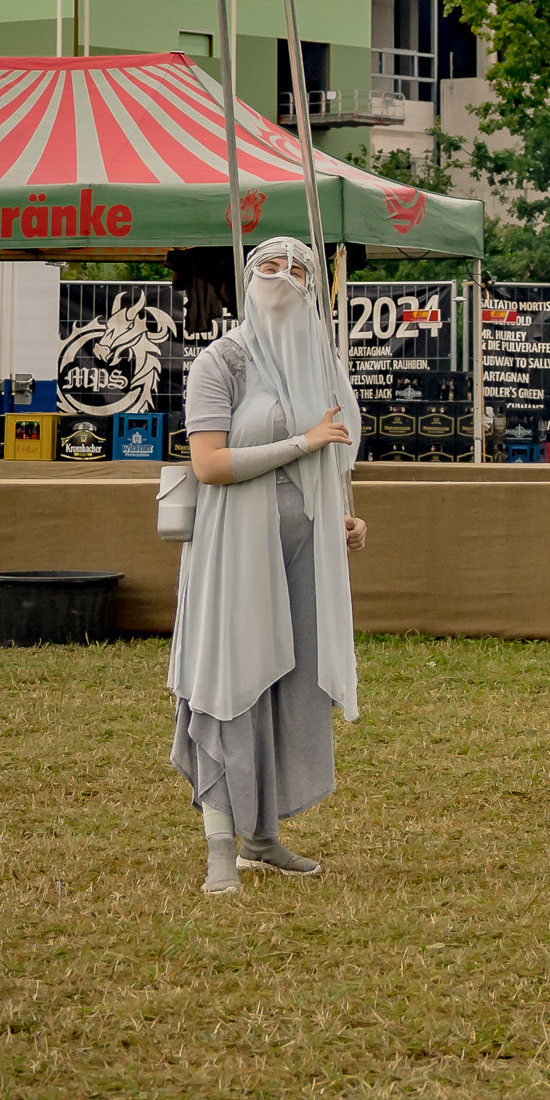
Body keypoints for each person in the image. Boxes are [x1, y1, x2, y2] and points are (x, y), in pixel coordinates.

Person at [170, 237, 366, 896]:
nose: (282, 277)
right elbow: (211, 465)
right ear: (247, 278)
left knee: (290, 686)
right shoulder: (220, 361)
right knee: (232, 683)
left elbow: (329, 464)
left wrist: (341, 516)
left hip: (304, 554)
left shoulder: (319, 366)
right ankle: (221, 845)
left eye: (298, 268)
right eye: (269, 266)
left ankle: (263, 838)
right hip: (233, 552)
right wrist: (300, 442)